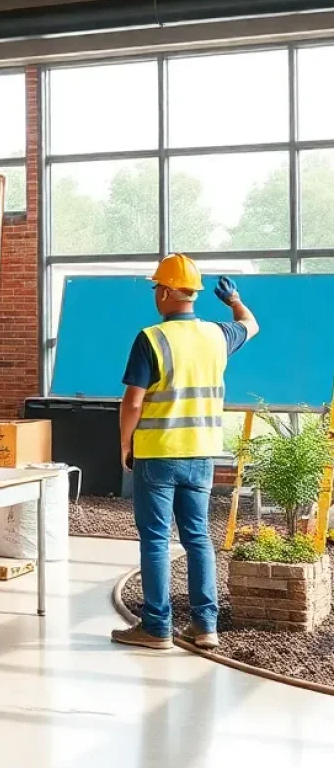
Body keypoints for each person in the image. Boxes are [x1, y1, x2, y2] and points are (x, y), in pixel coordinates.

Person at [111, 254, 259, 651]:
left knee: (156, 540)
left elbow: (133, 402)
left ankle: (157, 628)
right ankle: (205, 626)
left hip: (159, 453)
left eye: (157, 288)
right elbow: (251, 324)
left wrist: (126, 442)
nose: (155, 295)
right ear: (192, 293)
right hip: (203, 454)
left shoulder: (152, 338)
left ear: (166, 292)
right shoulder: (217, 334)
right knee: (198, 539)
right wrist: (234, 300)